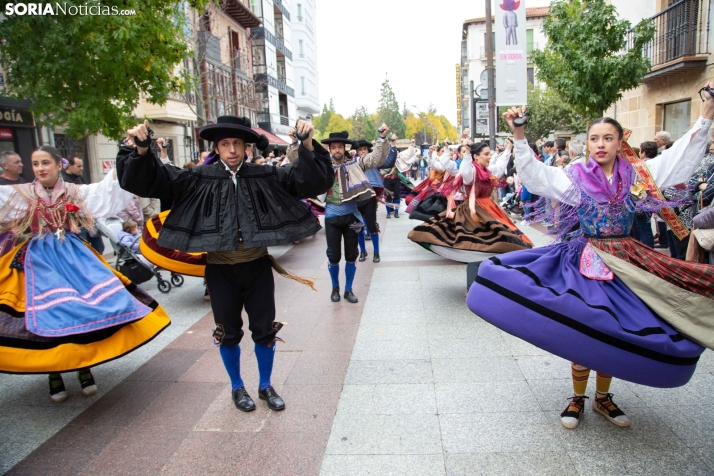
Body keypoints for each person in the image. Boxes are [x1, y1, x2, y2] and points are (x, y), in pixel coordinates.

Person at [468, 93, 714, 430]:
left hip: (626, 261)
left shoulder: (637, 174)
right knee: (587, 326)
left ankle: (602, 397)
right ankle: (578, 396)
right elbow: (538, 176)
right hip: (585, 259)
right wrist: (520, 136)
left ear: (619, 141)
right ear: (588, 143)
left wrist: (706, 116)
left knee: (616, 328)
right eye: (595, 138)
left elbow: (679, 159)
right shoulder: (576, 176)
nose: (600, 144)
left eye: (608, 138)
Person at [117, 116, 333, 413]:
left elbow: (310, 180)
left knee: (264, 329)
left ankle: (266, 385)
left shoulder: (265, 175)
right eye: (225, 144)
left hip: (257, 268)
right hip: (220, 272)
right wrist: (142, 150)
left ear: (246, 147)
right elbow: (155, 179)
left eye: (237, 144)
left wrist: (307, 144)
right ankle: (237, 387)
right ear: (217, 148)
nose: (232, 149)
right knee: (228, 332)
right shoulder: (197, 178)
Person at [0, 145, 168, 402]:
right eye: (35, 164)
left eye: (45, 163)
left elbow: (110, 189)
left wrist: (131, 155)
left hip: (74, 258)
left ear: (59, 165)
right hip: (39, 263)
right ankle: (54, 372)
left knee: (81, 311)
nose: (40, 168)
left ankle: (83, 367)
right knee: (50, 313)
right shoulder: (21, 194)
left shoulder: (75, 192)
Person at [408, 140, 533, 263]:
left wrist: (508, 148)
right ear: (476, 156)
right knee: (475, 238)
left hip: (490, 207)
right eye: (486, 154)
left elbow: (500, 167)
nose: (489, 157)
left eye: (490, 153)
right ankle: (480, 259)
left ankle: (497, 257)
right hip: (475, 208)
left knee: (505, 233)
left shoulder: (488, 170)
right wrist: (466, 154)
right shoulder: (471, 170)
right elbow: (464, 172)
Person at [322, 125, 390, 303]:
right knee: (333, 255)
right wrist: (297, 141)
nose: (337, 150)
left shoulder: (355, 163)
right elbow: (298, 161)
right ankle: (335, 288)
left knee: (351, 255)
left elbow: (375, 158)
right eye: (334, 147)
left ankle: (348, 289)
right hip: (331, 218)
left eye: (340, 147)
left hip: (352, 217)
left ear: (344, 148)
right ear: (330, 149)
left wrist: (382, 138)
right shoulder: (322, 166)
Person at [382, 136, 418, 219]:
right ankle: (388, 213)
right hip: (387, 179)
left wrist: (412, 145)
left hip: (396, 179)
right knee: (388, 196)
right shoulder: (384, 158)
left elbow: (408, 153)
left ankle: (396, 212)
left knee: (397, 196)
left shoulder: (399, 156)